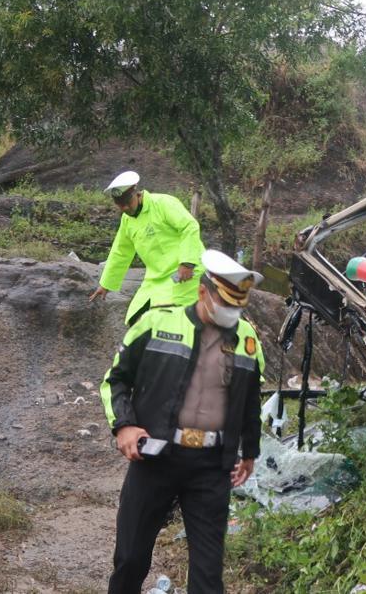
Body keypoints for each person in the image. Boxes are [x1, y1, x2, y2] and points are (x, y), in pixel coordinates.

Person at [100, 249, 265, 594]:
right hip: (155, 458)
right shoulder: (157, 322)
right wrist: (124, 425)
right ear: (203, 291)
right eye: (226, 303)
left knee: (208, 576)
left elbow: (250, 399)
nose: (232, 312)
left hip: (210, 467)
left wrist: (249, 451)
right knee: (130, 558)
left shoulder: (248, 341)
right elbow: (115, 379)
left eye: (239, 306)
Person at [89, 170, 207, 325]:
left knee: (168, 320)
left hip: (184, 274)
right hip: (155, 280)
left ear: (136, 194)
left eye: (127, 203)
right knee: (135, 319)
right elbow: (121, 252)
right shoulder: (127, 220)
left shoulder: (163, 203)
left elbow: (189, 226)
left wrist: (187, 263)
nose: (124, 208)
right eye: (120, 205)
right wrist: (106, 284)